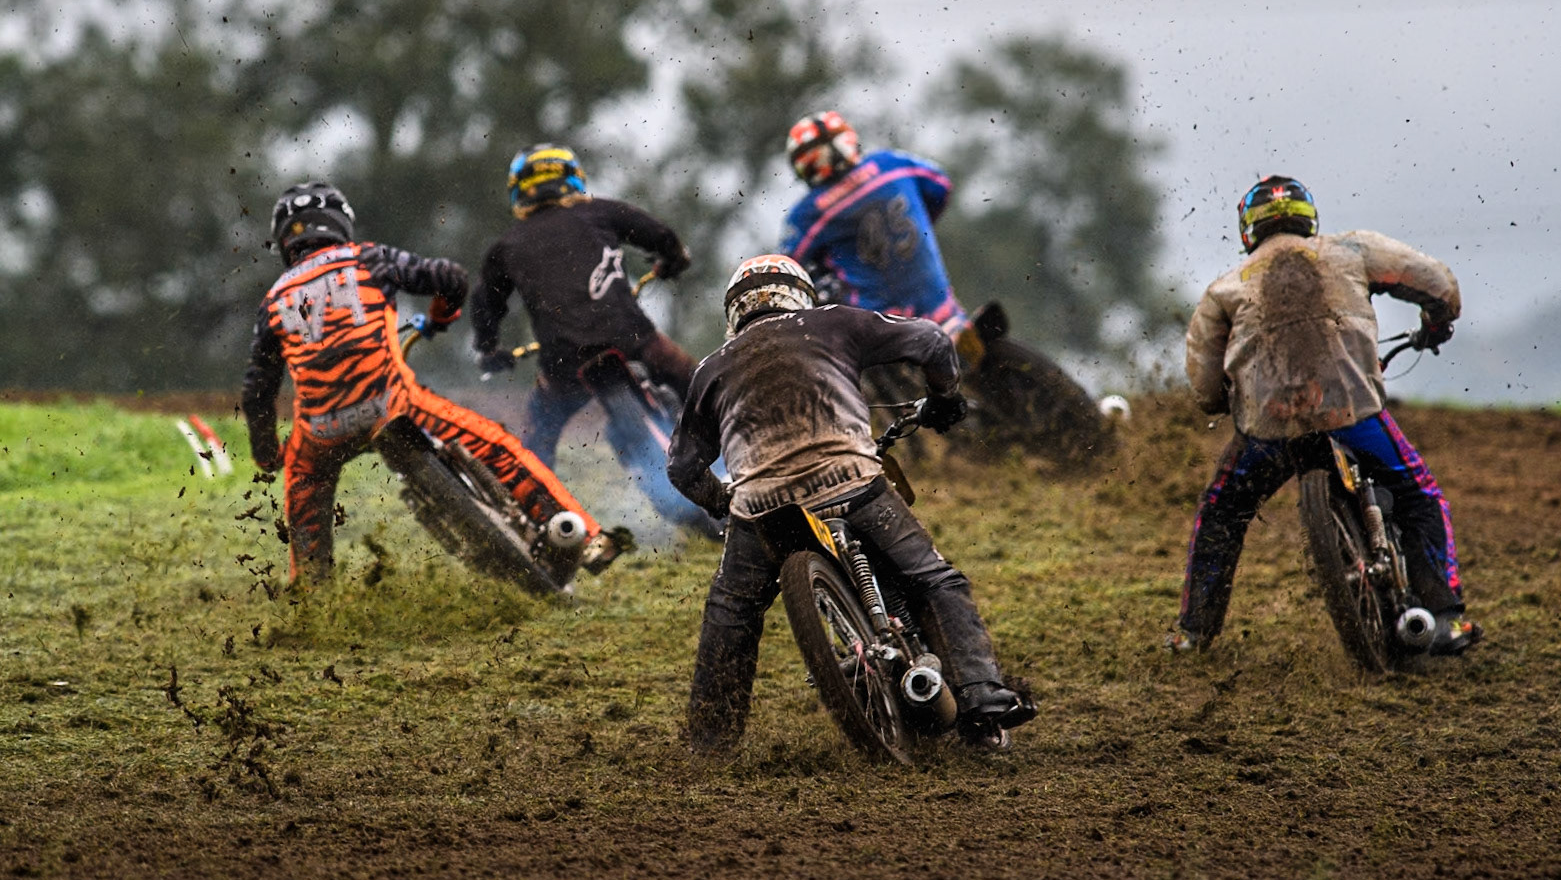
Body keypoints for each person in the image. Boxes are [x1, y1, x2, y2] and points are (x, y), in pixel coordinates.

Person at [666, 253, 1037, 754]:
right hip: (852, 483)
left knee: (730, 615)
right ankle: (984, 697)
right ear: (801, 293)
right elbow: (930, 339)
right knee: (935, 580)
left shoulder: (712, 368)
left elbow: (682, 467)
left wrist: (721, 502)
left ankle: (710, 743)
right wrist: (946, 396)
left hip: (761, 507)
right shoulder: (834, 322)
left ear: (735, 313)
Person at [241, 181, 626, 584]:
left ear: (285, 240)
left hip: (321, 429)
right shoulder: (369, 258)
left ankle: (312, 590)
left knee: (304, 491)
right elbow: (449, 276)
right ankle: (587, 540)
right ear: (339, 224)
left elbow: (257, 392)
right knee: (495, 445)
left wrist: (268, 455)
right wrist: (442, 315)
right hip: (393, 403)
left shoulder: (272, 302)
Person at [1174, 176, 1481, 656]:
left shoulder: (1225, 289)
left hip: (1268, 428)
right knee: (1419, 492)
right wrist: (1437, 323)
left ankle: (1193, 633)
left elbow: (1204, 386)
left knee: (1223, 511)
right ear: (1308, 217)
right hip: (1353, 411)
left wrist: (1222, 402)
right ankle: (1446, 616)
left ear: (1247, 231)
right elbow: (1438, 285)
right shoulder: (1352, 250)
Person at [469, 144, 716, 537]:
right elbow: (661, 236)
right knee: (697, 383)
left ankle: (534, 518)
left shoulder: (507, 246)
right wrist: (673, 259)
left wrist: (488, 350)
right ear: (571, 178)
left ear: (520, 191)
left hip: (563, 361)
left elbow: (485, 305)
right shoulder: (598, 211)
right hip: (631, 337)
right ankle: (741, 454)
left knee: (537, 439)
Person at [778, 111, 970, 338]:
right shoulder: (890, 163)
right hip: (944, 310)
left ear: (804, 166)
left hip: (882, 331)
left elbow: (788, 268)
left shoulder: (809, 213)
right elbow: (941, 185)